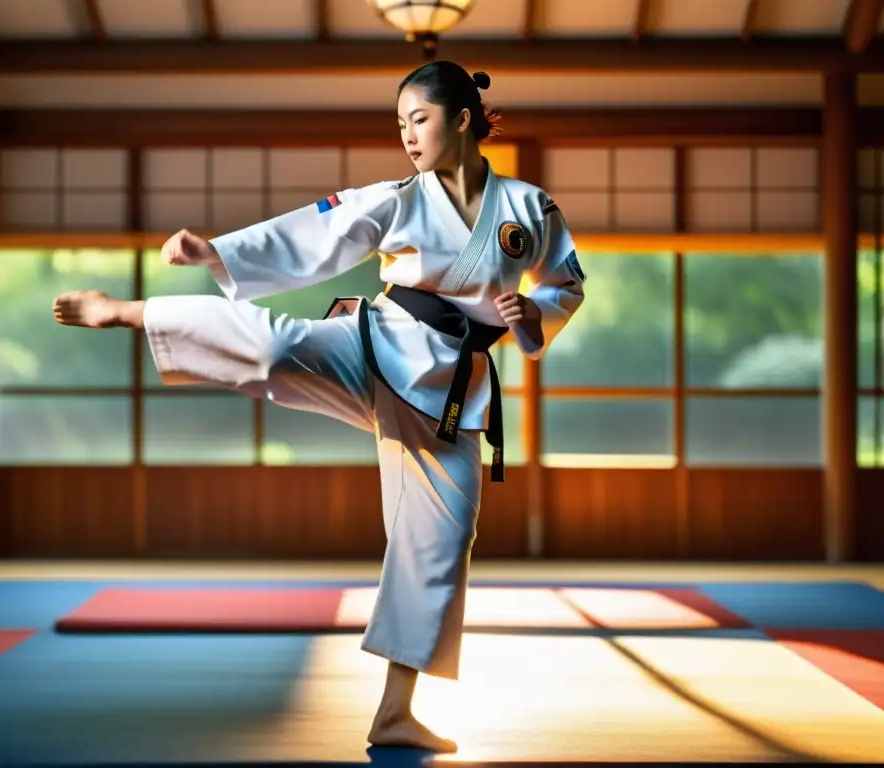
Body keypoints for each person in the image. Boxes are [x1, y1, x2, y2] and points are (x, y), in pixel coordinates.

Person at [52, 60, 585, 753]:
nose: (407, 137)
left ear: (462, 119)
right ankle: (129, 312)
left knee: (441, 544)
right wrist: (220, 252)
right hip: (380, 343)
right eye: (399, 125)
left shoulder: (530, 209)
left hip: (456, 390)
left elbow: (566, 281)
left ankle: (396, 711)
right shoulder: (401, 198)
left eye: (418, 119)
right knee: (277, 349)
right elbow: (320, 232)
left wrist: (530, 313)